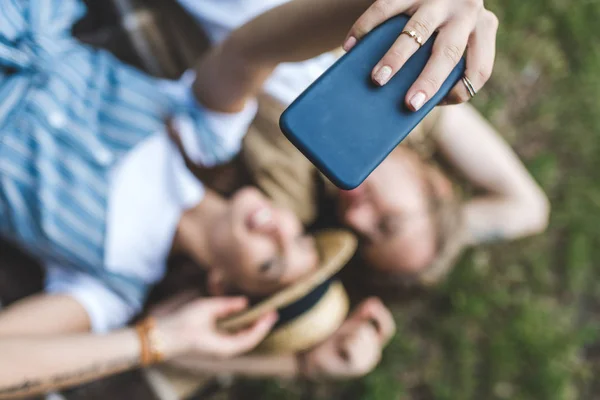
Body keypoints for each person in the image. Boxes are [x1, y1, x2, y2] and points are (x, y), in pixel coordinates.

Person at [0, 0, 415, 396]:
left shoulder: (112, 286)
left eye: (270, 263)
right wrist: (395, 8)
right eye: (301, 237)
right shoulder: (207, 137)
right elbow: (259, 47)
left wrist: (158, 340)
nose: (278, 231)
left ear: (223, 287)